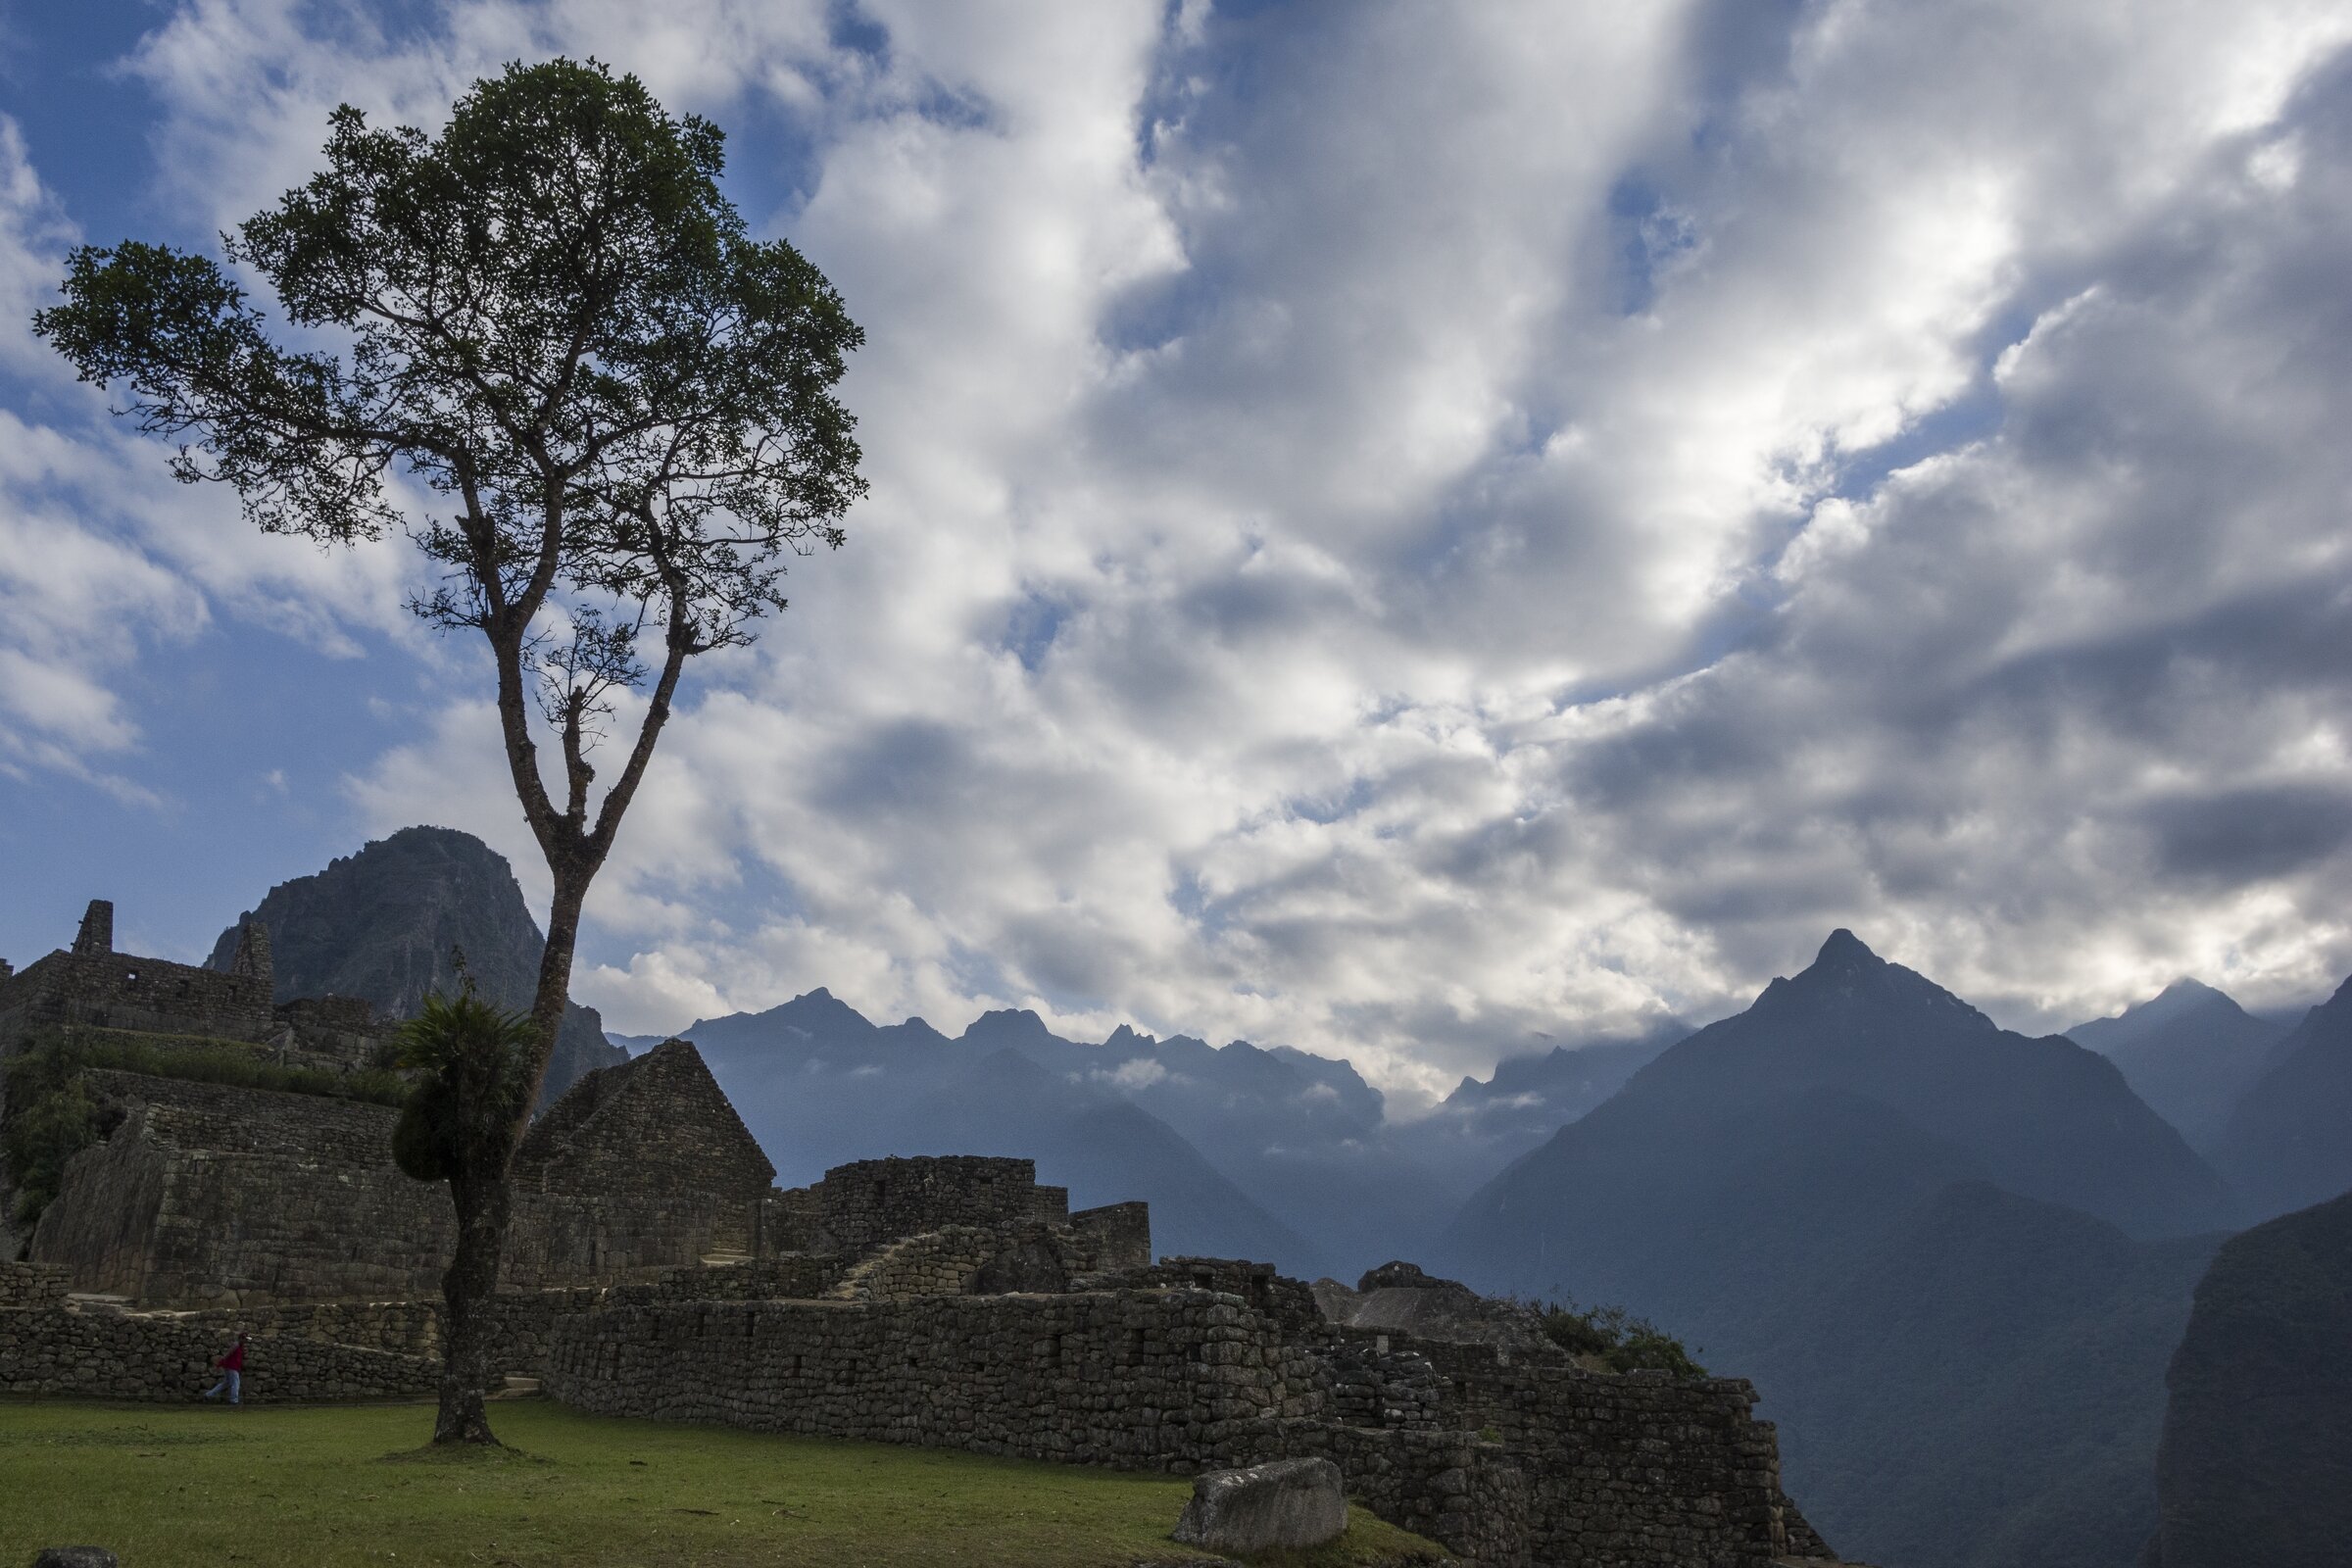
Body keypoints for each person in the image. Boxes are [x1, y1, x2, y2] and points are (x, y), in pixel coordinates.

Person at [204, 1331, 248, 1405]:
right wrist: (221, 1363)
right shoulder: (236, 1345)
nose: (245, 1341)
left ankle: (208, 1395)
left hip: (232, 1367)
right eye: (244, 1339)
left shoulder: (240, 1346)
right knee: (236, 1383)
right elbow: (228, 1354)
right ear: (241, 1338)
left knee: (226, 1383)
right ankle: (234, 1400)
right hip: (232, 1367)